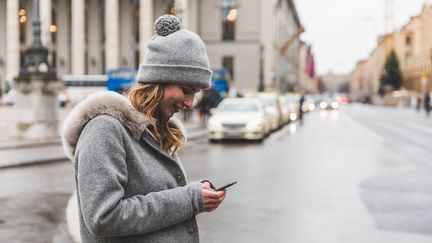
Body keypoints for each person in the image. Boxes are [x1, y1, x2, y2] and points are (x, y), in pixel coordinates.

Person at [61, 15, 226, 243]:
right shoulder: (104, 129)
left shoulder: (156, 131)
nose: (190, 103)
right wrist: (189, 199)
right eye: (186, 89)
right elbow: (103, 217)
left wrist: (197, 194)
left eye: (196, 93)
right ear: (158, 82)